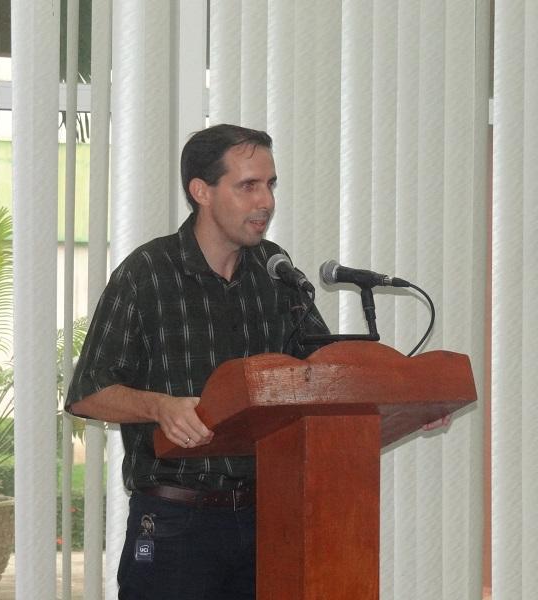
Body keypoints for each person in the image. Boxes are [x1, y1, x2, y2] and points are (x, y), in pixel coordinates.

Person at [65, 124, 330, 600]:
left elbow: (326, 371)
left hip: (267, 518)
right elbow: (88, 392)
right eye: (248, 185)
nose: (265, 201)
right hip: (173, 523)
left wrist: (397, 400)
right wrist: (160, 407)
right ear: (201, 191)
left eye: (270, 184)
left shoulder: (277, 272)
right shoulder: (147, 273)